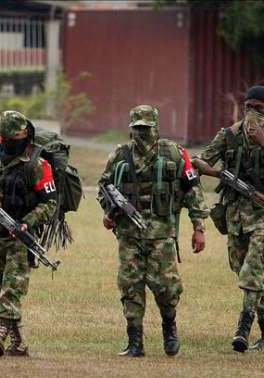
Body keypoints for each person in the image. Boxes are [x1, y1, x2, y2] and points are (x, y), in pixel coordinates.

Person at [99, 105, 208, 357]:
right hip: (128, 234)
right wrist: (109, 212)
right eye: (136, 129)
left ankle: (169, 327)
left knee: (166, 287)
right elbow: (104, 186)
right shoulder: (119, 155)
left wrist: (198, 227)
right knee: (130, 285)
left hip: (162, 232)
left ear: (156, 128)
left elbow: (193, 190)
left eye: (145, 129)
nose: (141, 134)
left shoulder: (174, 153)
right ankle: (135, 341)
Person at [0, 111, 57, 358]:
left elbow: (49, 203)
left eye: (17, 137)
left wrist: (28, 223)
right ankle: (19, 343)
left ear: (26, 134)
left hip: (21, 236)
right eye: (8, 138)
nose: (12, 142)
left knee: (12, 288)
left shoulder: (37, 164)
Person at [193, 85, 264, 352]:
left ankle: (243, 329)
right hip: (235, 216)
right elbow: (202, 160)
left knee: (252, 272)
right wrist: (209, 171)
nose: (254, 114)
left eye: (260, 109)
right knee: (242, 270)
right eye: (250, 108)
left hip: (262, 216)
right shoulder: (229, 135)